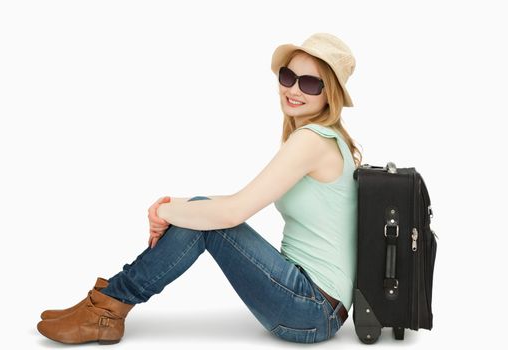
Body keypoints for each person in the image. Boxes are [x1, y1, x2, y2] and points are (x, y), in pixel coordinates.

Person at [37, 32, 363, 345]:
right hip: (313, 303)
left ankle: (107, 307)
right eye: (287, 76)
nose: (293, 89)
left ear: (329, 94)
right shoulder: (322, 138)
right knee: (203, 210)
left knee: (211, 224)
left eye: (309, 83)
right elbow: (232, 203)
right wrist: (181, 204)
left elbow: (235, 211)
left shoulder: (311, 141)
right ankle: (104, 304)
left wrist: (163, 210)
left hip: (312, 310)